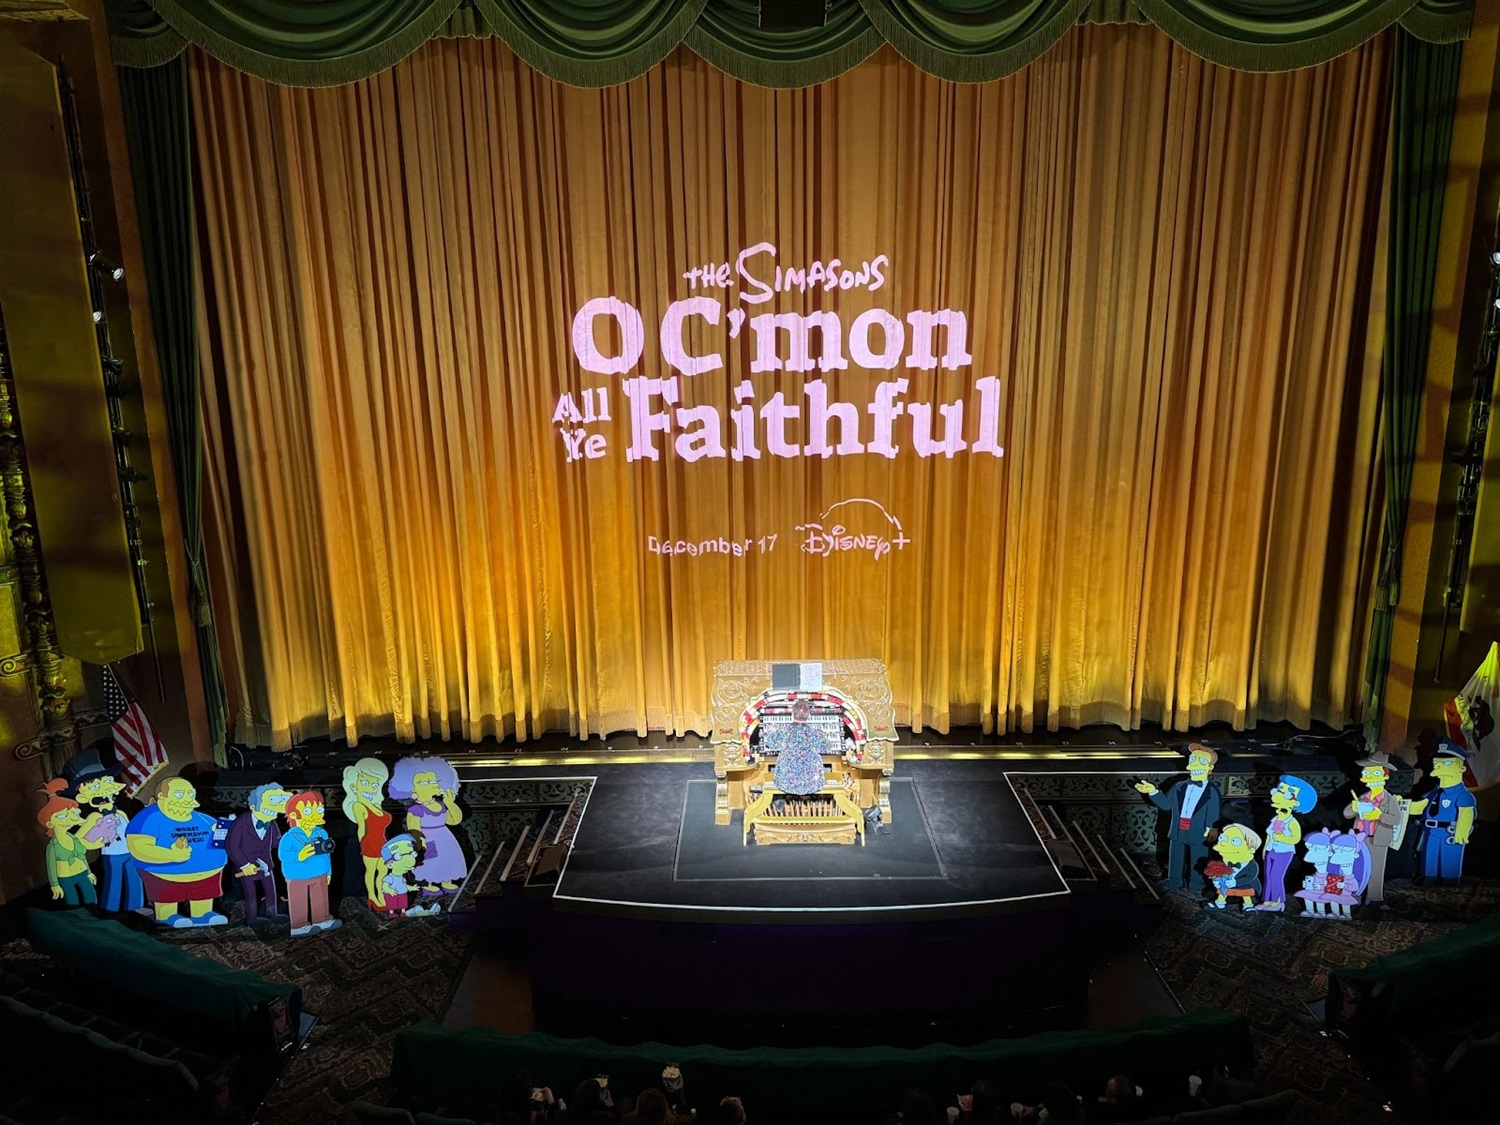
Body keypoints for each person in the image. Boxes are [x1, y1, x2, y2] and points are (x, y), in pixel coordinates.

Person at [126, 776, 229, 927]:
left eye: (191, 794)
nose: (187, 799)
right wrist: (172, 855)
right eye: (179, 794)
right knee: (168, 895)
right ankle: (167, 916)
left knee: (203, 894)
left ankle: (203, 914)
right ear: (162, 796)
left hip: (209, 873)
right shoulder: (148, 818)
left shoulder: (203, 818)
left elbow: (222, 835)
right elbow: (138, 847)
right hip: (166, 874)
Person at [62, 748, 142, 913]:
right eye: (96, 786)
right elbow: (79, 841)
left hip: (129, 852)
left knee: (135, 879)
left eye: (107, 781)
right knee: (114, 881)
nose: (105, 789)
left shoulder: (120, 814)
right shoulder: (94, 818)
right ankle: (110, 909)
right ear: (83, 796)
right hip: (112, 855)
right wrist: (100, 840)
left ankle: (137, 907)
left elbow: (130, 832)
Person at [1133, 744, 1222, 890]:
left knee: (1199, 856)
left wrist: (1212, 828)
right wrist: (1153, 791)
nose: (1195, 765)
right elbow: (1166, 804)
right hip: (1178, 827)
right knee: (1176, 855)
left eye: (1201, 761)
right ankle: (1174, 880)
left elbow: (1213, 811)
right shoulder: (1179, 786)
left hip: (1199, 830)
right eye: (1192, 760)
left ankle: (1197, 883)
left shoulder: (1212, 791)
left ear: (1210, 768)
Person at [390, 755, 468, 892]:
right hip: (427, 840)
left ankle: (447, 881)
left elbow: (454, 820)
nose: (432, 784)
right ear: (412, 788)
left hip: (445, 839)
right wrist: (420, 844)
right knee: (429, 863)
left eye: (433, 780)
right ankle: (428, 884)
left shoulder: (440, 804)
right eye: (425, 782)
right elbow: (413, 830)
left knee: (447, 859)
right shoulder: (415, 809)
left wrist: (450, 803)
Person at [1410, 739, 1477, 884]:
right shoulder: (1433, 794)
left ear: (1461, 768)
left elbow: (1466, 812)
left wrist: (1462, 831)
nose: (1439, 765)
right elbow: (1420, 806)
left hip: (1450, 832)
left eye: (1446, 763)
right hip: (1431, 831)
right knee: (1430, 855)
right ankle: (1429, 876)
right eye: (1436, 762)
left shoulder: (1463, 795)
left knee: (1450, 856)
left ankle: (1450, 879)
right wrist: (1399, 805)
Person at [277, 790, 342, 935]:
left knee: (320, 897)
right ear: (294, 815)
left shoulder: (321, 833)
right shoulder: (290, 837)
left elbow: (326, 854)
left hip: (319, 873)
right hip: (297, 875)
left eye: (319, 810)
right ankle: (299, 926)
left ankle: (322, 919)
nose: (316, 814)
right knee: (298, 899)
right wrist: (298, 855)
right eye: (307, 811)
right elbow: (282, 854)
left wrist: (328, 872)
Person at [1341, 752, 1403, 904]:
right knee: (1358, 867)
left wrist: (1379, 815)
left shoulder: (1389, 800)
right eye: (1366, 773)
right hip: (1359, 838)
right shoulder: (1363, 797)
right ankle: (1356, 894)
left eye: (1375, 773)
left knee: (1376, 869)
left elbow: (1396, 819)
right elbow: (1347, 814)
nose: (1369, 777)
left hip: (1378, 840)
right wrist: (1354, 807)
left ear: (1385, 776)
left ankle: (1375, 898)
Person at [226, 784, 291, 924]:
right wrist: (244, 864)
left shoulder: (271, 823)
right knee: (251, 892)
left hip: (267, 864)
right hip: (247, 866)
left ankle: (272, 913)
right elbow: (232, 845)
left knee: (270, 889)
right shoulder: (241, 822)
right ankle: (252, 917)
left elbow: (276, 842)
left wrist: (292, 840)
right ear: (253, 806)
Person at [1256, 774, 1316, 912]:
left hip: (1284, 852)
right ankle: (1267, 900)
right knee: (1268, 876)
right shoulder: (1276, 818)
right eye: (1280, 789)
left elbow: (1295, 839)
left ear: (1296, 803)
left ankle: (1278, 902)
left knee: (1276, 876)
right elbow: (1269, 834)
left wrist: (1280, 837)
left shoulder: (1292, 822)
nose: (1279, 793)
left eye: (1287, 793)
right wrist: (1265, 848)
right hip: (1270, 850)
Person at [37, 779, 98, 905]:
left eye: (72, 813)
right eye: (62, 816)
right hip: (66, 878)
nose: (70, 818)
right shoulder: (53, 846)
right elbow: (51, 866)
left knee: (91, 898)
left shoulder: (74, 838)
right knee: (72, 902)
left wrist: (89, 872)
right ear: (50, 824)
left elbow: (82, 856)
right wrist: (55, 885)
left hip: (82, 873)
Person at [342, 756, 391, 910]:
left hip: (382, 842)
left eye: (374, 784)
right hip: (369, 843)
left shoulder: (376, 804)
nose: (370, 787)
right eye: (365, 783)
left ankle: (381, 895)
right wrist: (364, 846)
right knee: (371, 871)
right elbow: (361, 828)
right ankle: (372, 897)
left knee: (383, 870)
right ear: (355, 785)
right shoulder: (358, 805)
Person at [770, 699, 827, 795]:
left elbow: (771, 744)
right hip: (812, 783)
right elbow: (826, 748)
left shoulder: (784, 732)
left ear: (792, 714)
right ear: (808, 716)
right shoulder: (816, 734)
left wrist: (772, 732)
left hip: (786, 783)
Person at [1203, 823, 1261, 910]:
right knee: (1223, 889)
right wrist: (1217, 880)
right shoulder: (1224, 861)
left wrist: (1236, 883)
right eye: (1222, 838)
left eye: (1234, 841)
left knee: (1246, 894)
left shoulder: (1251, 866)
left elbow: (1250, 878)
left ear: (1251, 849)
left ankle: (1248, 906)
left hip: (1245, 886)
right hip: (1227, 886)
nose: (1223, 843)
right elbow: (1218, 873)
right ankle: (1219, 903)